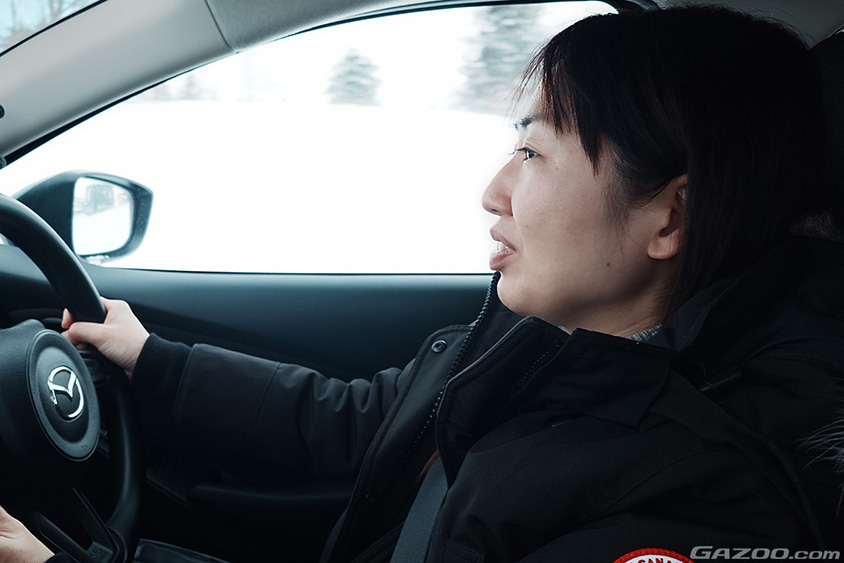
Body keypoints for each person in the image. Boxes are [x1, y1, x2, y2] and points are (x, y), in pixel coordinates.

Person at [3, 5, 844, 563]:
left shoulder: (702, 502)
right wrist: (155, 361)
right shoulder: (549, 336)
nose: (494, 191)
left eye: (535, 151)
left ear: (670, 217)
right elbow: (367, 421)